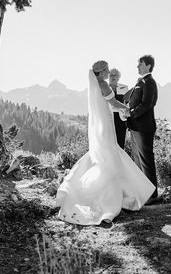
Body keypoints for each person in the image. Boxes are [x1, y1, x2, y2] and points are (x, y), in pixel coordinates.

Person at [56, 60, 156, 225]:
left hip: (103, 124)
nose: (109, 72)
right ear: (102, 71)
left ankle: (122, 194)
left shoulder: (97, 84)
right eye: (107, 69)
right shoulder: (103, 84)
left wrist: (123, 109)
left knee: (108, 157)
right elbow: (114, 103)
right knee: (111, 156)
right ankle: (115, 197)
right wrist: (126, 110)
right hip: (105, 126)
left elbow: (110, 105)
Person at [126, 55, 159, 203]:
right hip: (135, 127)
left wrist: (130, 113)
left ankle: (152, 195)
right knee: (137, 160)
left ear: (148, 65)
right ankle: (142, 192)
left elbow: (147, 104)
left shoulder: (149, 82)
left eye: (140, 64)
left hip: (144, 127)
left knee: (146, 161)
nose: (137, 67)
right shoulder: (141, 82)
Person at [109, 67, 129, 149]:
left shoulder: (124, 88)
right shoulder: (104, 88)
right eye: (111, 75)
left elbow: (127, 103)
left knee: (120, 144)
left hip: (121, 119)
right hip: (109, 118)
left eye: (115, 75)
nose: (113, 76)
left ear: (119, 77)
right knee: (109, 144)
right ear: (108, 76)